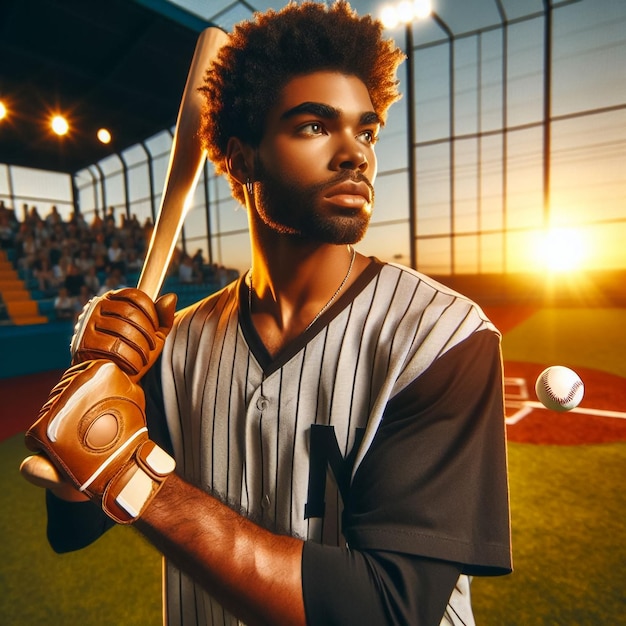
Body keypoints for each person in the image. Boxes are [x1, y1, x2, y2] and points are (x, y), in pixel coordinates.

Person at [28, 3, 511, 625]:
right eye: (315, 126)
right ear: (241, 158)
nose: (356, 154)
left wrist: (138, 482)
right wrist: (94, 387)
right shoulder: (175, 345)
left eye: (366, 131)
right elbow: (74, 525)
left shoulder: (442, 336)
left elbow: (390, 609)